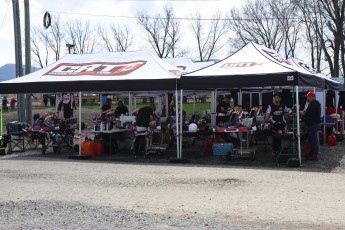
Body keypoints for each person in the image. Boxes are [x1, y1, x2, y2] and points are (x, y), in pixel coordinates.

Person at [304, 92, 321, 161]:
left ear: (311, 97)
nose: (307, 98)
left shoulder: (312, 105)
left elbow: (311, 117)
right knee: (313, 140)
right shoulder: (316, 104)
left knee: (313, 140)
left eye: (308, 97)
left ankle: (314, 155)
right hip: (315, 124)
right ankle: (313, 154)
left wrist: (305, 121)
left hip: (312, 125)